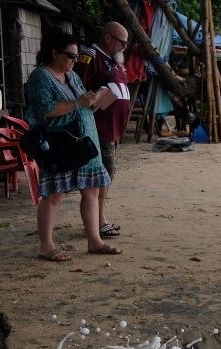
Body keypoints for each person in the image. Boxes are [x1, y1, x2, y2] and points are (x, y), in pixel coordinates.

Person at [25, 30, 121, 260]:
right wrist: (79, 103)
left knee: (92, 190)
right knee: (54, 194)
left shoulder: (73, 76)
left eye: (76, 56)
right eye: (70, 55)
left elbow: (81, 103)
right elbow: (45, 110)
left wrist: (95, 101)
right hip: (59, 143)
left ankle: (95, 241)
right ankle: (46, 246)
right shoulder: (40, 77)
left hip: (85, 141)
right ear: (54, 52)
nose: (74, 61)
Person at [74, 22, 130, 239]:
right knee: (101, 175)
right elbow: (79, 90)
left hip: (112, 129)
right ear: (108, 38)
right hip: (98, 129)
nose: (125, 47)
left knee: (108, 173)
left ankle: (100, 217)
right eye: (122, 42)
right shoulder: (90, 56)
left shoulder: (116, 61)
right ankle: (99, 220)